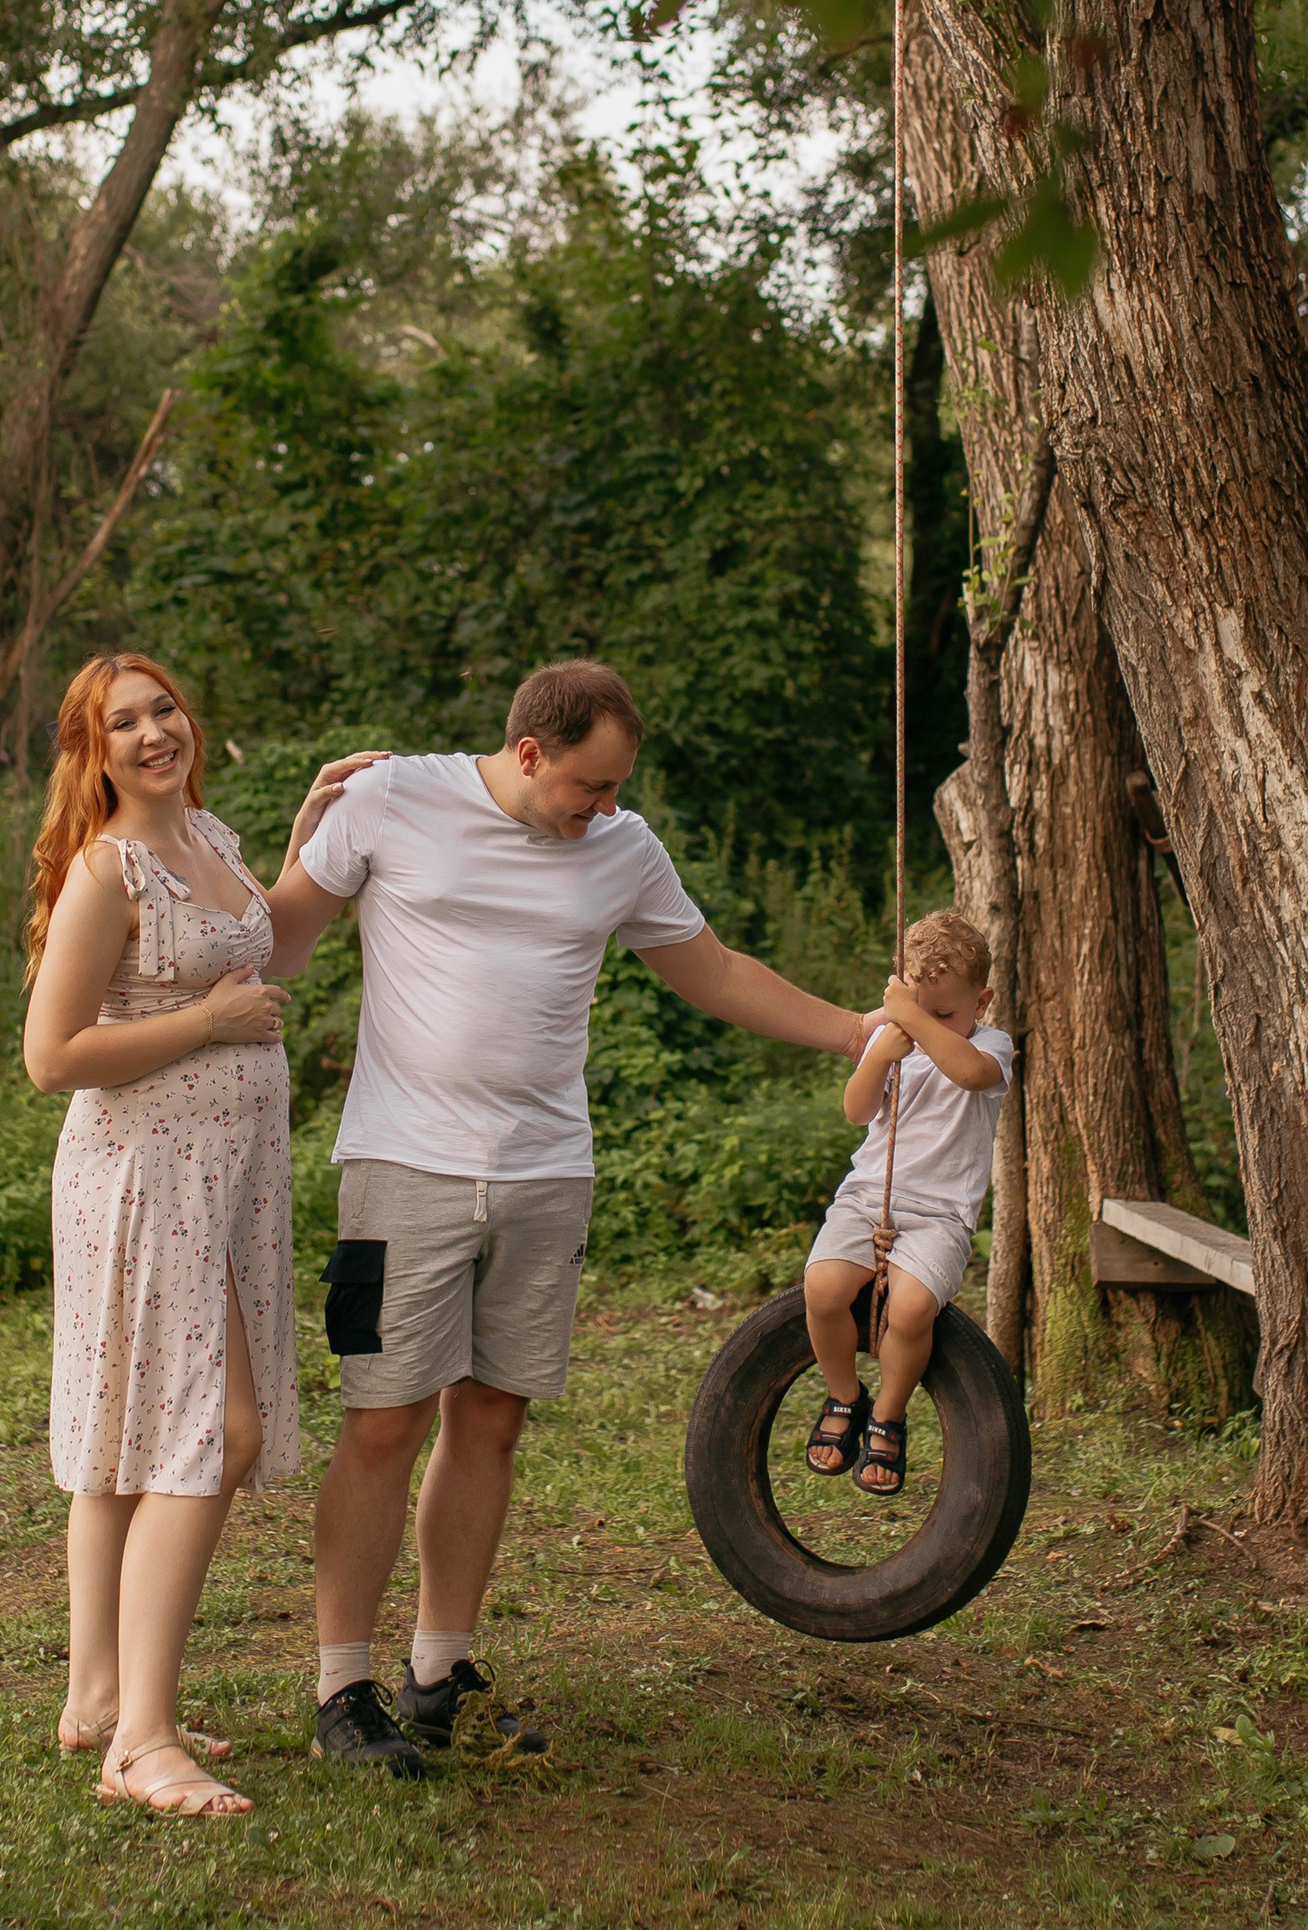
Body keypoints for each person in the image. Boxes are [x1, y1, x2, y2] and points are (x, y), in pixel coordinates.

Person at [260, 658, 879, 1774]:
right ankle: (339, 1690)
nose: (603, 807)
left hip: (548, 1174)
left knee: (490, 1418)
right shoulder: (389, 798)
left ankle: (438, 1670)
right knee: (382, 1419)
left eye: (615, 789)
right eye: (588, 786)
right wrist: (303, 835)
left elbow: (717, 970)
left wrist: (852, 1030)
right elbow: (279, 944)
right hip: (399, 1168)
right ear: (532, 751)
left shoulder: (621, 849)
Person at [21, 651, 374, 1818]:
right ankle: (144, 1739)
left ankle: (94, 1697)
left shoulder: (209, 841)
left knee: (135, 1425)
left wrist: (306, 834)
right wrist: (205, 1022)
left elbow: (269, 954)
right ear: (92, 751)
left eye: (162, 707)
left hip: (221, 1183)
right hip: (143, 1178)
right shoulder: (106, 869)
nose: (152, 732)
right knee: (210, 1430)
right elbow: (52, 1055)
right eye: (121, 723)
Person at [799, 908, 1014, 1498]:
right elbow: (857, 1110)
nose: (928, 1026)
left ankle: (889, 1415)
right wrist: (880, 1051)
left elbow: (969, 1073)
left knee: (913, 1309)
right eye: (920, 1010)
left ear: (983, 1000)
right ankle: (845, 1394)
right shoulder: (896, 1043)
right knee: (821, 1289)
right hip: (870, 1196)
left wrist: (916, 1020)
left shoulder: (991, 1046)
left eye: (943, 1013)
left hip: (940, 1214)